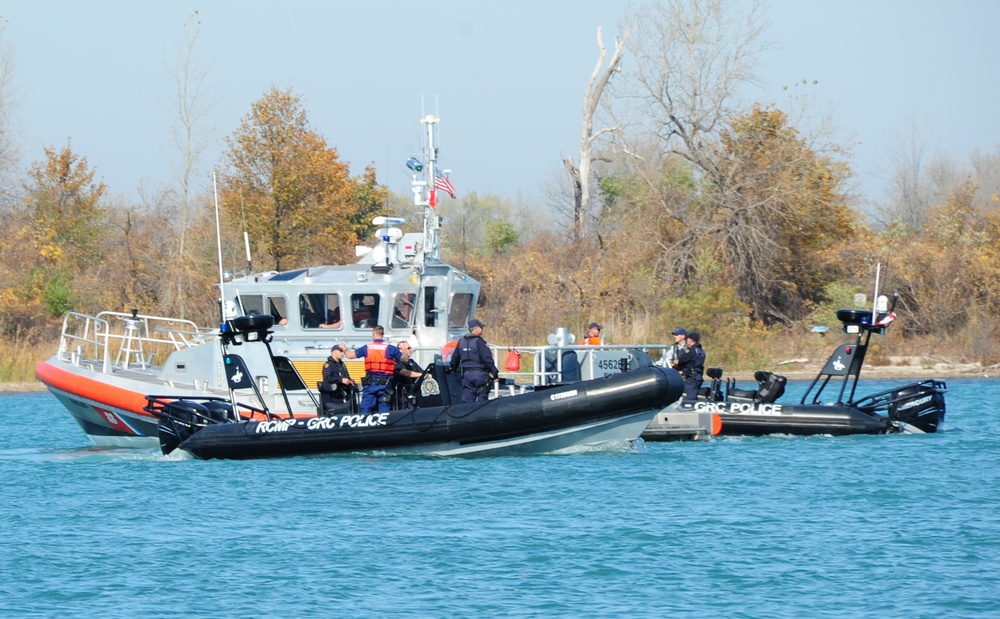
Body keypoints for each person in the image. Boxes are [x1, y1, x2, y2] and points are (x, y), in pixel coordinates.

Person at [342, 325, 402, 413]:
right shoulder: (390, 348)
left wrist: (344, 348)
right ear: (383, 334)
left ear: (373, 334)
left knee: (366, 408)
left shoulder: (367, 347)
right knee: (385, 407)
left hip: (371, 383)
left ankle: (364, 425)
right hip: (385, 383)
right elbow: (404, 358)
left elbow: (350, 355)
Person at [449, 319, 499, 403]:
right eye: (481, 327)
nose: (482, 329)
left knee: (467, 399)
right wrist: (495, 373)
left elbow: (455, 358)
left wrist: (453, 369)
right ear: (475, 329)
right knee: (481, 399)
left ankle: (466, 413)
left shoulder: (461, 342)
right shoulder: (479, 342)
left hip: (467, 375)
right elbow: (487, 359)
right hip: (480, 375)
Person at [393, 339, 424, 409]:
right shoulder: (396, 362)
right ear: (400, 350)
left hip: (413, 393)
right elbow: (405, 373)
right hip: (401, 395)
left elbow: (422, 372)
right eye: (408, 348)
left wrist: (425, 374)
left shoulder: (411, 362)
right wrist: (421, 375)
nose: (410, 350)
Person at [676, 331, 706, 400]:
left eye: (688, 339)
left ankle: (690, 408)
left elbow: (682, 359)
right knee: (692, 392)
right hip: (697, 376)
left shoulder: (692, 350)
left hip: (691, 377)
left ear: (690, 340)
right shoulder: (700, 350)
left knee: (690, 395)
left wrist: (675, 363)